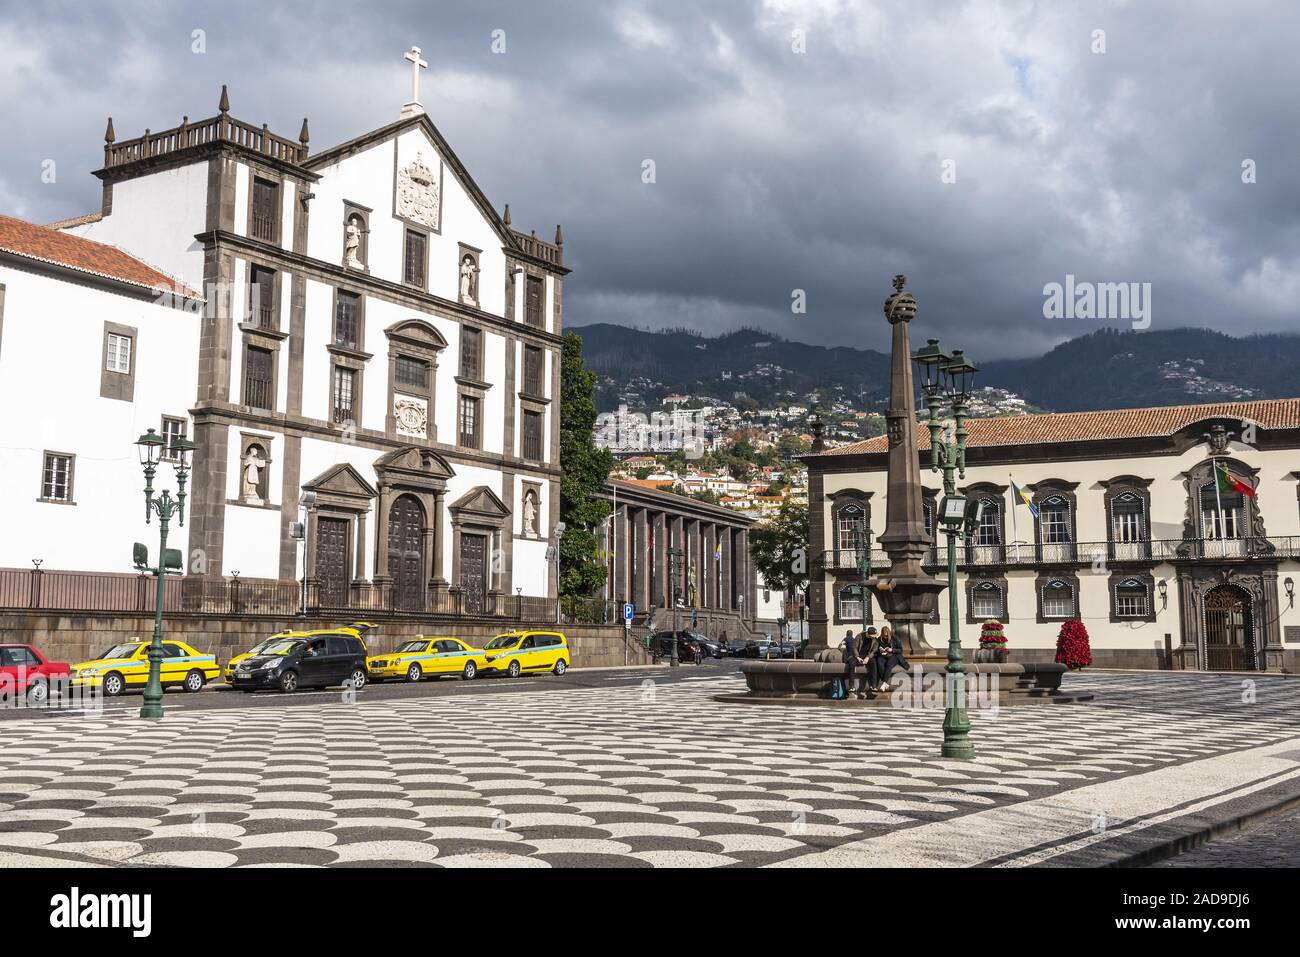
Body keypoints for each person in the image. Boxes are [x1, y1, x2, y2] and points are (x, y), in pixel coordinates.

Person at [868, 624, 907, 691]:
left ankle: (884, 683)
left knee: (888, 665)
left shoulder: (895, 638)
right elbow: (876, 649)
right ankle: (885, 683)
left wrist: (892, 650)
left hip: (893, 656)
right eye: (883, 635)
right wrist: (880, 650)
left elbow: (900, 650)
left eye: (886, 635)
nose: (885, 637)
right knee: (879, 663)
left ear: (889, 634)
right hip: (883, 655)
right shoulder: (880, 639)